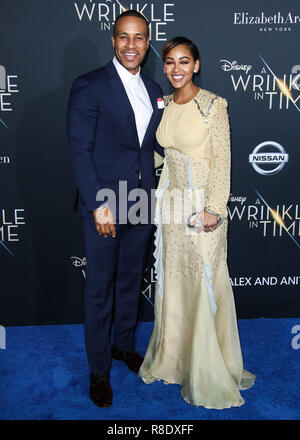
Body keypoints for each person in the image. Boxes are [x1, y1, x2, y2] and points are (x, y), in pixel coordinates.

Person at [138, 37, 255, 408]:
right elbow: (165, 155)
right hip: (172, 206)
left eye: (184, 62)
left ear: (197, 65)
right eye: (170, 62)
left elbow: (223, 160)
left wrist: (215, 209)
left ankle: (207, 368)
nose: (176, 69)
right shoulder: (166, 105)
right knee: (175, 280)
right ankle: (174, 361)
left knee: (204, 279)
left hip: (202, 205)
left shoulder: (213, 106)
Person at [67, 10, 164, 408]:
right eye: (123, 37)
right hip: (106, 204)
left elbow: (153, 148)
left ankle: (124, 347)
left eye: (139, 37)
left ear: (147, 42)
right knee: (99, 290)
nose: (131, 45)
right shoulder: (90, 85)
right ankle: (98, 370)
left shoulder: (155, 87)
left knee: (129, 284)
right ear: (112, 40)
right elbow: (80, 149)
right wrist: (99, 203)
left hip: (142, 201)